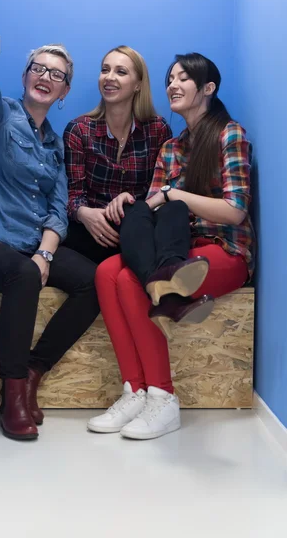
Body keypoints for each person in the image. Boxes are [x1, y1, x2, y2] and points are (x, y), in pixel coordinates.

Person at [88, 53, 255, 440]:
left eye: (183, 78)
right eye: (169, 79)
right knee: (106, 271)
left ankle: (163, 399)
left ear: (208, 89)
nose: (172, 85)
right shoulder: (171, 148)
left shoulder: (231, 135)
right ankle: (136, 390)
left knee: (131, 282)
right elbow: (154, 209)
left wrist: (172, 194)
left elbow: (235, 212)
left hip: (222, 250)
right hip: (173, 252)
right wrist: (130, 204)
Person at [0, 30, 100, 441]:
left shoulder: (56, 146)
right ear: (24, 76)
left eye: (56, 74)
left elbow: (58, 211)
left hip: (30, 249)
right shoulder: (1, 115)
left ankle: (35, 369)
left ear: (64, 91)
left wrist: (46, 255)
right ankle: (13, 394)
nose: (45, 76)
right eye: (38, 68)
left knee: (93, 281)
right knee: (21, 274)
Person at [63, 45, 172, 264]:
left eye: (121, 72)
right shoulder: (79, 130)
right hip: (92, 230)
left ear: (138, 85)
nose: (109, 78)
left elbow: (161, 190)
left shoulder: (157, 129)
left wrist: (131, 204)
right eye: (105, 70)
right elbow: (73, 194)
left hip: (139, 228)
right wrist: (84, 214)